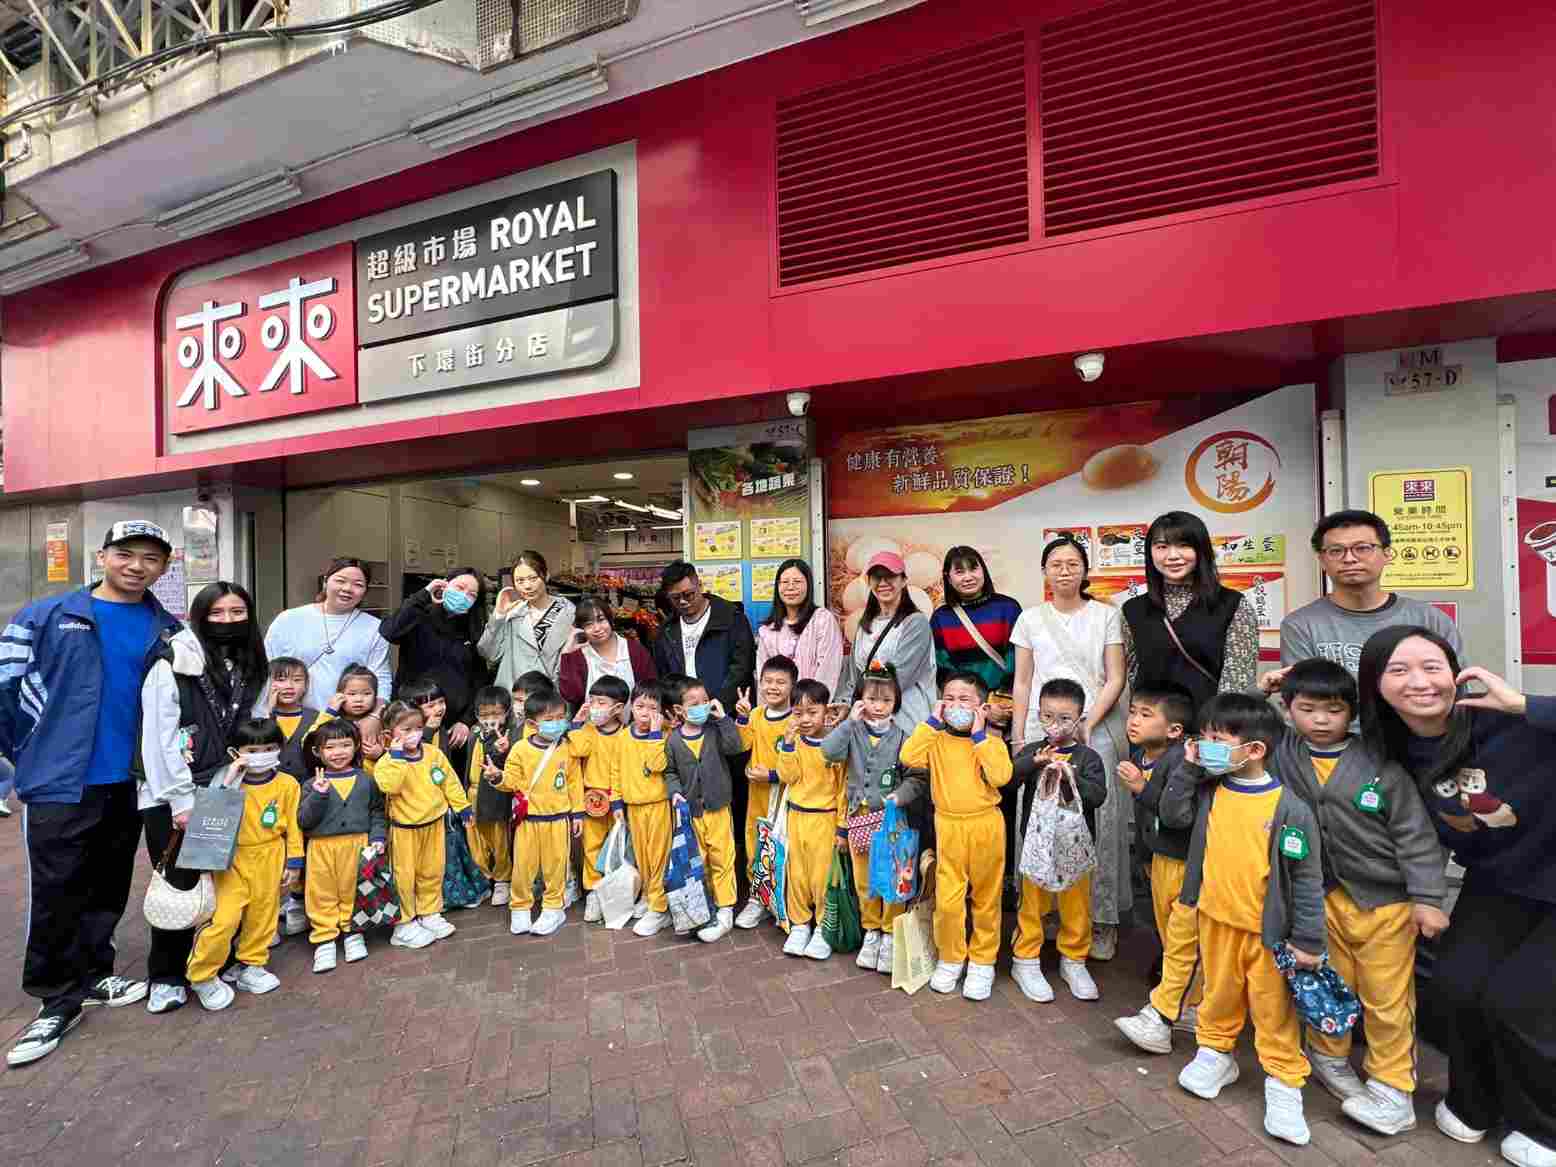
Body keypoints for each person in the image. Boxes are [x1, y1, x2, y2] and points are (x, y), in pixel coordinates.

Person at [1358, 626, 1556, 1164]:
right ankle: (1476, 1102)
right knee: (1455, 988)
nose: (1419, 682)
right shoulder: (1389, 750)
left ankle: (1545, 1126)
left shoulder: (1509, 721)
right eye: (1398, 670)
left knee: (1521, 1003)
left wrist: (1526, 704)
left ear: (1456, 673)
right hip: (1499, 881)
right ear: (1375, 686)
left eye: (1432, 667)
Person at [2, 521, 180, 1068]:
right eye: (125, 554)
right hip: (61, 781)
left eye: (150, 558)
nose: (136, 566)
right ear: (102, 556)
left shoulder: (168, 628)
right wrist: (29, 753)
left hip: (130, 783)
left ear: (163, 568)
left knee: (109, 884)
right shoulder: (45, 616)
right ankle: (56, 998)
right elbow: (5, 690)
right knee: (57, 890)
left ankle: (97, 972)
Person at [1264, 657, 1447, 1136]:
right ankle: (1329, 1058)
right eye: (1307, 709)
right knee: (1329, 986)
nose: (1321, 721)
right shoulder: (1285, 752)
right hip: (1322, 898)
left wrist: (1428, 898)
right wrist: (1262, 690)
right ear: (1288, 709)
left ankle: (1392, 1089)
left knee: (1387, 999)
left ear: (1353, 712)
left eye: (1334, 710)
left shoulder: (1379, 763)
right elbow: (1243, 728)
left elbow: (1415, 835)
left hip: (1386, 904)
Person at [1168, 694, 1326, 1148]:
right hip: (1214, 922)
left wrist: (1308, 940)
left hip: (1268, 935)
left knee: (1273, 1010)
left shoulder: (1290, 808)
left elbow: (1307, 877)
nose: (1206, 746)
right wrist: (1189, 768)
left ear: (1255, 749)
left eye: (1217, 739)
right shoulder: (1209, 791)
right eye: (1204, 737)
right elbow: (1172, 814)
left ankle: (1284, 1080)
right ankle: (1215, 1052)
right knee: (1218, 995)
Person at [137, 580, 270, 1016]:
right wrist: (180, 801)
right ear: (200, 616)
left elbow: (257, 722)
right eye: (217, 613)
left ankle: (216, 962)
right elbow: (159, 738)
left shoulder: (253, 664)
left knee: (224, 883)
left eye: (237, 612)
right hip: (174, 794)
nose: (228, 621)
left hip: (226, 789)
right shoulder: (174, 661)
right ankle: (167, 976)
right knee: (180, 883)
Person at [1011, 534, 1131, 960]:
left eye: (1072, 563)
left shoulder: (1106, 616)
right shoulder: (1029, 618)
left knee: (1097, 819)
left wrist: (1087, 722)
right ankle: (1043, 913)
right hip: (1041, 729)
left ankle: (1100, 920)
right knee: (1040, 817)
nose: (1064, 571)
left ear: (1085, 570)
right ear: (1045, 572)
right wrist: (1019, 735)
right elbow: (1022, 681)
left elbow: (1115, 677)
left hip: (1092, 727)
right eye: (1056, 564)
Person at [899, 671, 1014, 1001]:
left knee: (986, 898)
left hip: (985, 826)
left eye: (964, 699)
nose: (955, 705)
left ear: (981, 705)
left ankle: (982, 962)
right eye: (948, 699)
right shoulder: (935, 739)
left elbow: (1001, 776)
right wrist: (932, 722)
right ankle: (951, 957)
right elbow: (909, 756)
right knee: (948, 899)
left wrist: (979, 735)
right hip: (948, 826)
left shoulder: (990, 742)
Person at [185, 719, 305, 1013]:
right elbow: (209, 818)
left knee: (263, 916)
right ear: (236, 751)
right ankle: (202, 975)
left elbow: (293, 826)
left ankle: (252, 965)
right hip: (231, 860)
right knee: (224, 919)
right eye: (252, 750)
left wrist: (294, 861)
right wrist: (229, 781)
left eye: (269, 748)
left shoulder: (287, 784)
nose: (261, 755)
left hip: (271, 856)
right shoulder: (226, 782)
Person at [1113, 684, 1201, 1055]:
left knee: (1184, 941)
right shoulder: (1143, 756)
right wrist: (1144, 860)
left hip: (1183, 864)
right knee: (1169, 936)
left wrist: (1139, 787)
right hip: (1159, 861)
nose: (1133, 720)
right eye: (1133, 712)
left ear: (1175, 730)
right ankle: (1188, 1007)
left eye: (1146, 715)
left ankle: (1174, 1011)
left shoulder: (1181, 761)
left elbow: (1176, 814)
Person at [1009, 679, 1108, 1004]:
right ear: (1039, 714)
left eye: (1065, 718)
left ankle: (1074, 959)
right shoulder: (1033, 751)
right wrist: (1033, 762)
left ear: (1080, 719)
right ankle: (1025, 959)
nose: (1055, 725)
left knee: (1076, 906)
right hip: (1036, 848)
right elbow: (1008, 780)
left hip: (1075, 849)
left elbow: (1098, 796)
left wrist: (1072, 776)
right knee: (1032, 904)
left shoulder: (1088, 757)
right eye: (1048, 716)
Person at [821, 664, 923, 975]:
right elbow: (828, 751)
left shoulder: (904, 737)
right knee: (864, 879)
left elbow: (917, 777)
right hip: (859, 818)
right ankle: (871, 931)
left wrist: (900, 796)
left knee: (892, 876)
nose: (878, 706)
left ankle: (890, 932)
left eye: (886, 700)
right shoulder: (853, 732)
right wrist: (849, 723)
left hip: (891, 819)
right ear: (860, 700)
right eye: (871, 699)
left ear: (896, 702)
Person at [1277, 509, 1463, 678]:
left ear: (1387, 554)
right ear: (1322, 560)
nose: (1349, 558)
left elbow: (1455, 687)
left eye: (1362, 548)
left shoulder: (1430, 620)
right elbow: (1305, 696)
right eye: (1336, 551)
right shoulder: (1301, 625)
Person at [1121, 512, 1260, 709]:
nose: (1172, 556)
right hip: (1152, 725)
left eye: (1184, 545)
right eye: (1162, 547)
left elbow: (1238, 682)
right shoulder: (1132, 610)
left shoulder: (1232, 604)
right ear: (1150, 553)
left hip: (1209, 723)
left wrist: (1217, 724)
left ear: (1201, 550)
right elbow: (1135, 677)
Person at [373, 699, 471, 950]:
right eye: (406, 729)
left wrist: (462, 806)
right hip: (405, 830)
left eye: (418, 727)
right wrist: (396, 757)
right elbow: (390, 786)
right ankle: (404, 923)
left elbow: (449, 781)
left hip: (434, 824)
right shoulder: (386, 762)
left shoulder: (433, 753)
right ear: (389, 734)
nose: (414, 733)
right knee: (404, 877)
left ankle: (429, 913)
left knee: (432, 871)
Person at [296, 720, 386, 973]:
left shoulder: (366, 780)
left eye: (345, 745)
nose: (338, 752)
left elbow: (377, 811)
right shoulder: (310, 784)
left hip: (357, 844)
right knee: (321, 892)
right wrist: (318, 795)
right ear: (318, 752)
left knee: (352, 889)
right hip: (321, 847)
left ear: (356, 746)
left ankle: (352, 932)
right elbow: (303, 820)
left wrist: (378, 837)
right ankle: (324, 938)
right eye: (330, 747)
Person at [663, 676, 743, 943]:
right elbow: (670, 771)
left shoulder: (714, 730)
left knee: (723, 858)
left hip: (718, 808)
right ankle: (705, 908)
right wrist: (675, 792)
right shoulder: (674, 741)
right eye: (694, 703)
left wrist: (723, 719)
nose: (702, 706)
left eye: (705, 701)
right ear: (679, 710)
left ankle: (725, 909)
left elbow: (735, 747)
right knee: (700, 861)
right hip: (693, 812)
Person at [498, 689, 583, 939]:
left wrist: (577, 813)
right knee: (523, 867)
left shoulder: (567, 748)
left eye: (560, 717)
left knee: (556, 867)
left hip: (558, 819)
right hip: (528, 820)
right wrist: (496, 777)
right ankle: (520, 907)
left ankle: (553, 908)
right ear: (532, 724)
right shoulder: (520, 749)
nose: (557, 723)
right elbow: (511, 780)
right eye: (549, 719)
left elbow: (574, 782)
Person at [774, 679, 848, 961]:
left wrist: (842, 827)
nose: (805, 719)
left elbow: (843, 789)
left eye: (812, 712)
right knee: (797, 874)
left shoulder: (836, 746)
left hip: (824, 819)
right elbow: (787, 776)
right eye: (798, 713)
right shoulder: (793, 740)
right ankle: (800, 924)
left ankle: (823, 929)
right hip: (796, 815)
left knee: (821, 876)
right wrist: (788, 745)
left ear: (826, 711)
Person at [264, 556, 393, 711]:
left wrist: (375, 716)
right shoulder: (288, 619)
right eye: (340, 581)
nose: (347, 588)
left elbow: (380, 677)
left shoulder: (375, 627)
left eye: (358, 584)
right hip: (291, 716)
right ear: (325, 581)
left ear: (365, 591)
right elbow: (266, 668)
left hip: (348, 720)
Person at [381, 566, 489, 734]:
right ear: (444, 585)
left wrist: (466, 721)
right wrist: (424, 594)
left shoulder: (475, 629)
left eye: (472, 594)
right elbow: (390, 632)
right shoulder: (419, 613)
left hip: (453, 726)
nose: (463, 596)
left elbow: (479, 680)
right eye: (459, 588)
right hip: (410, 720)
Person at [733, 655, 797, 930]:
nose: (773, 687)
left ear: (792, 686)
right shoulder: (757, 715)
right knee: (755, 842)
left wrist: (771, 775)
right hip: (757, 795)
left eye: (781, 682)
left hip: (783, 798)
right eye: (768, 681)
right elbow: (742, 744)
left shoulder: (795, 720)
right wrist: (742, 717)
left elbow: (798, 763)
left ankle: (783, 898)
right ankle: (757, 898)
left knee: (781, 844)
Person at [844, 552, 936, 733]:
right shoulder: (865, 625)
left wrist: (866, 700)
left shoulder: (915, 623)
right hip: (868, 721)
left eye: (890, 576)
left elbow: (898, 677)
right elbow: (853, 675)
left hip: (905, 720)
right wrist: (846, 704)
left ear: (904, 581)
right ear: (869, 582)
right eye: (877, 577)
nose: (883, 583)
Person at [653, 561, 756, 715]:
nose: (683, 601)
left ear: (699, 586)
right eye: (675, 598)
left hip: (728, 712)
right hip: (687, 715)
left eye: (689, 594)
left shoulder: (731, 618)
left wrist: (718, 704)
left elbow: (742, 667)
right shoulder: (666, 631)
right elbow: (665, 676)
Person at [568, 675, 631, 924]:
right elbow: (577, 749)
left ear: (618, 708)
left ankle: (616, 893)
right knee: (592, 847)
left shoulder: (626, 734)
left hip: (618, 800)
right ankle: (594, 891)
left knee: (619, 847)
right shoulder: (588, 730)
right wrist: (577, 722)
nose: (594, 707)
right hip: (592, 799)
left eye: (601, 702)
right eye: (592, 700)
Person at [619, 681, 673, 938]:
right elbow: (615, 770)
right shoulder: (623, 736)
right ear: (631, 707)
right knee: (641, 857)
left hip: (658, 805)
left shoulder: (664, 735)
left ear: (661, 712)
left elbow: (656, 765)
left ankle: (659, 908)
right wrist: (616, 801)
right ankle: (649, 895)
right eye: (640, 706)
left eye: (652, 708)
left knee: (658, 856)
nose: (645, 713)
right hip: (634, 807)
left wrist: (655, 733)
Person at [930, 546, 1021, 693]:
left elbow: (1019, 661)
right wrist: (967, 699)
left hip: (1004, 700)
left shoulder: (1008, 608)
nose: (968, 577)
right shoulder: (940, 618)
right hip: (964, 702)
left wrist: (1001, 697)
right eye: (959, 572)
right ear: (948, 578)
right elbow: (942, 669)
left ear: (983, 571)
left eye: (973, 569)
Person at [482, 551, 576, 691]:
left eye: (533, 578)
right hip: (515, 693)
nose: (527, 586)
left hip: (551, 695)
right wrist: (498, 615)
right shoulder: (513, 613)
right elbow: (490, 654)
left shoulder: (568, 612)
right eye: (520, 581)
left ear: (546, 575)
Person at [756, 559, 845, 694]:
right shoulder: (768, 630)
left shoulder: (822, 620)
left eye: (797, 582)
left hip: (813, 704)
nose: (790, 587)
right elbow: (763, 677)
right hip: (778, 704)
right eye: (785, 582)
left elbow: (829, 670)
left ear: (808, 585)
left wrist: (812, 703)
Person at [467, 686, 520, 906]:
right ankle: (483, 878)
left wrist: (501, 751)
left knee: (499, 840)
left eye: (496, 714)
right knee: (476, 840)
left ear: (506, 712)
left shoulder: (508, 736)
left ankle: (502, 880)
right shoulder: (474, 734)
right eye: (485, 714)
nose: (490, 719)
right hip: (472, 794)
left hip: (495, 796)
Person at [558, 596, 657, 710]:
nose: (597, 628)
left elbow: (650, 689)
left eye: (601, 620)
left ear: (610, 619)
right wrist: (566, 655)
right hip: (591, 721)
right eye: (588, 624)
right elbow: (571, 695)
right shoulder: (578, 656)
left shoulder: (634, 650)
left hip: (632, 720)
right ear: (581, 629)